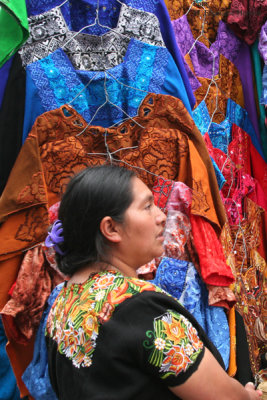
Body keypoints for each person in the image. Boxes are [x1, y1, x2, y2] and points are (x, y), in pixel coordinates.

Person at [45, 164, 262, 400]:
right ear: (111, 228)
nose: (161, 216)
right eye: (147, 207)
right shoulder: (139, 309)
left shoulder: (64, 300)